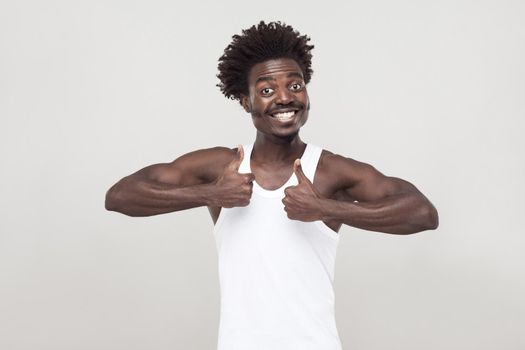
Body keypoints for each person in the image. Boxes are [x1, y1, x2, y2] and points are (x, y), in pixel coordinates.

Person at [105, 20, 438, 350]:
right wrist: (210, 193)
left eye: (295, 86)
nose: (284, 98)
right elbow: (120, 196)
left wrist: (324, 208)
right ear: (246, 102)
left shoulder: (329, 171)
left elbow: (422, 214)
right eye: (267, 90)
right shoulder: (222, 167)